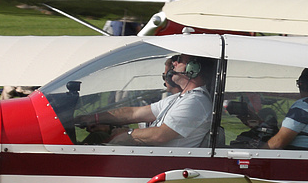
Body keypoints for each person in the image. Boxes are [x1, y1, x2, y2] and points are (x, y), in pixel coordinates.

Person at [86, 55, 214, 147]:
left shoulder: (196, 102)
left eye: (180, 60)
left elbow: (160, 135)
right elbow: (133, 114)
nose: (174, 64)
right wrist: (93, 118)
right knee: (98, 137)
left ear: (194, 68)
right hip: (150, 158)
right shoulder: (181, 98)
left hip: (160, 164)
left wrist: (126, 135)